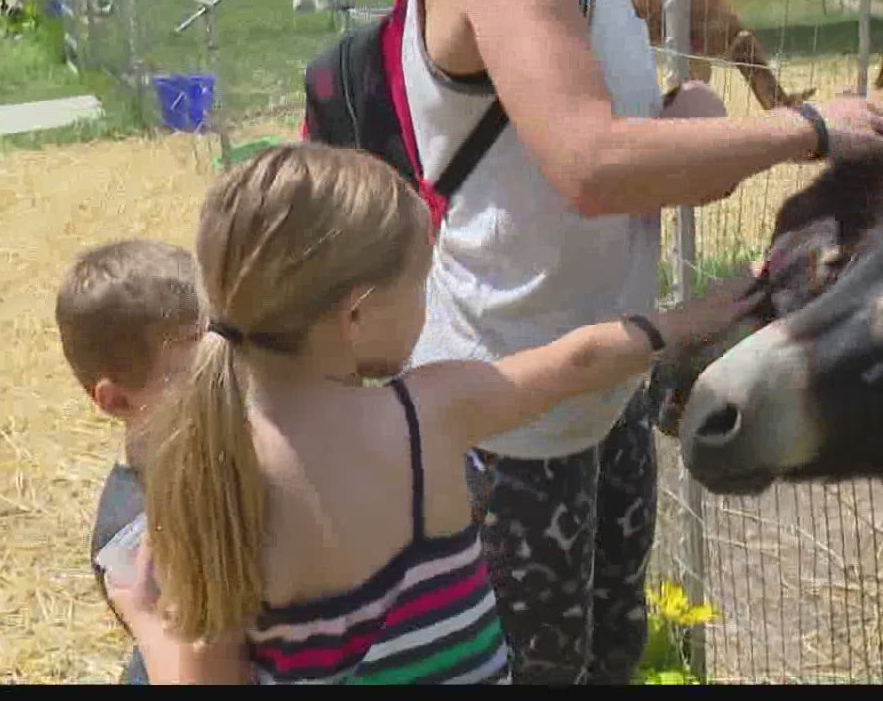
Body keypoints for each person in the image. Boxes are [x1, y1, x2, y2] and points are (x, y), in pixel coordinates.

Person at [401, 0, 883, 685]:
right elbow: (588, 164)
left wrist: (687, 112)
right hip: (513, 414)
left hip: (594, 390)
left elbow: (594, 147)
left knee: (605, 661)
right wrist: (809, 130)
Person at [100, 143, 765, 684]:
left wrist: (148, 619)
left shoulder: (212, 481)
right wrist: (705, 314)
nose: (429, 308)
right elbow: (578, 362)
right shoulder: (432, 413)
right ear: (355, 315)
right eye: (422, 283)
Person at [53, 238, 208, 686]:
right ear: (118, 399)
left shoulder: (224, 442)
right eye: (191, 374)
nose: (223, 378)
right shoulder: (132, 534)